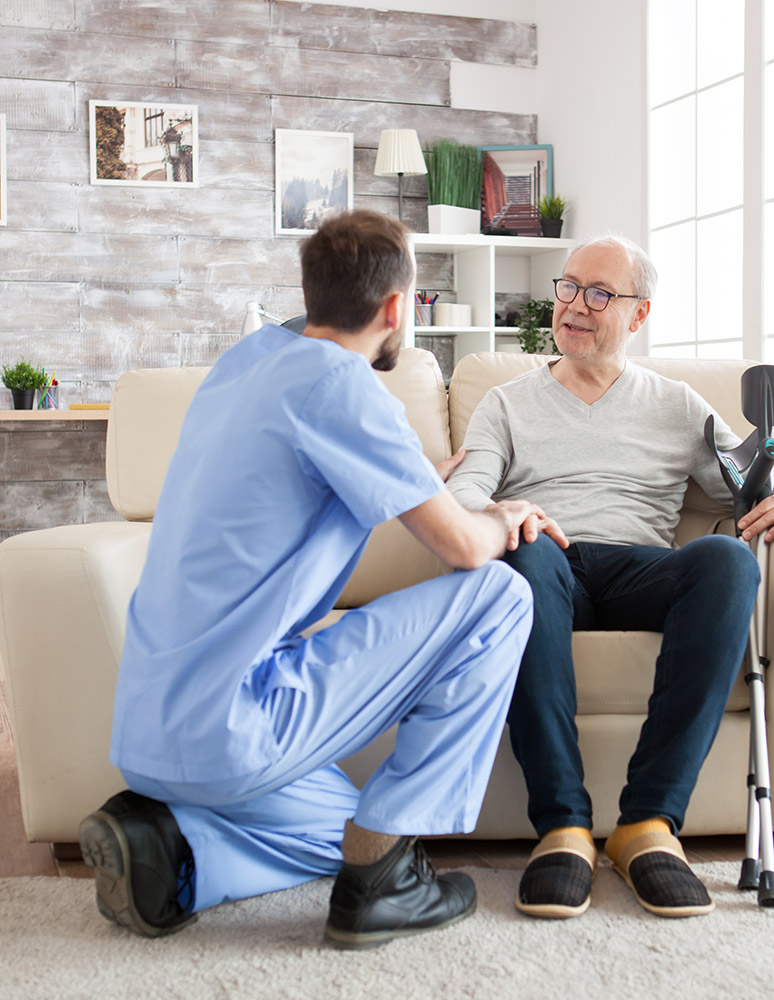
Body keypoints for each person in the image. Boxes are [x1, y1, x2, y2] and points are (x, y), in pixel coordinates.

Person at [78, 211, 567, 948]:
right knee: (499, 595)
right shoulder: (343, 386)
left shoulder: (243, 366)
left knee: (343, 829)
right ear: (397, 308)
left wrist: (418, 479)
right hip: (234, 724)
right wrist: (506, 517)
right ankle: (386, 886)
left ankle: (173, 847)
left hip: (148, 729)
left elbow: (296, 475)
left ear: (311, 292)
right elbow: (468, 549)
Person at [447, 234, 774, 919]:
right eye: (567, 287)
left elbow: (755, 475)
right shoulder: (506, 402)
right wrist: (499, 507)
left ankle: (648, 825)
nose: (574, 307)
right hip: (548, 559)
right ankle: (562, 826)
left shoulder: (675, 404)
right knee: (525, 555)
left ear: (639, 315)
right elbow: (465, 492)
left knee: (729, 559)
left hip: (643, 568)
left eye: (599, 294)